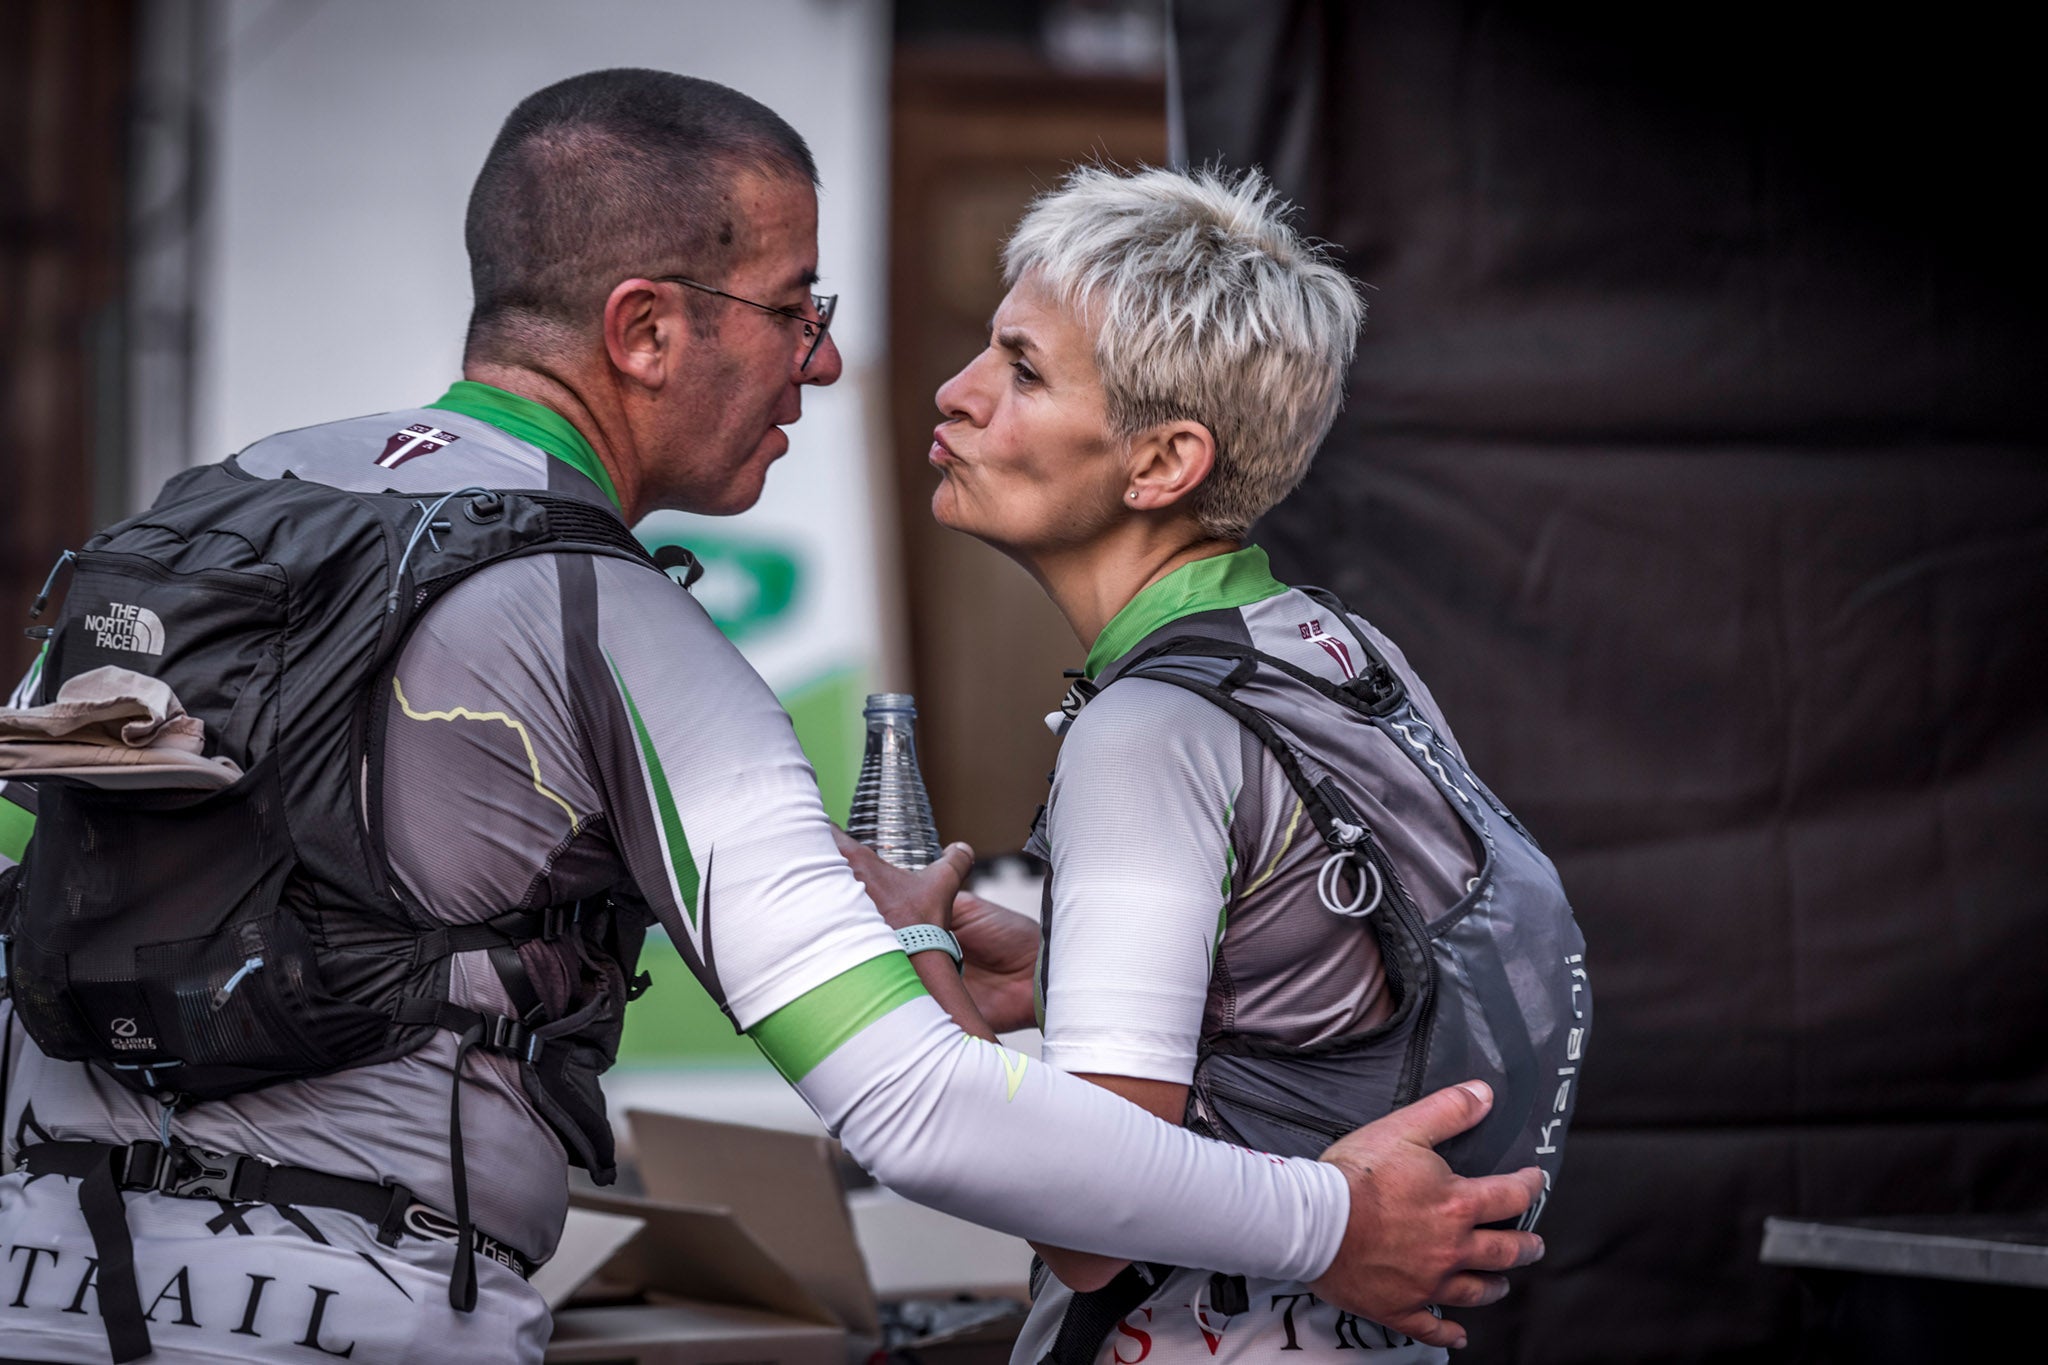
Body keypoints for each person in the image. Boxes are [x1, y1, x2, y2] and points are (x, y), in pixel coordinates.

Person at [0, 72, 1541, 1365]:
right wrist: (1333, 1222)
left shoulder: (237, 503)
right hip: (356, 1311)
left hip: (35, 1269)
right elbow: (917, 1110)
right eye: (796, 307)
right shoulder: (617, 624)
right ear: (645, 329)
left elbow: (321, 878)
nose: (830, 359)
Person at [837, 164, 1587, 1365]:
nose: (956, 392)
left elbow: (1086, 1224)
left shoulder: (1148, 731)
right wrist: (1057, 970)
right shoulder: (1328, 648)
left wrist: (913, 949)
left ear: (1159, 465)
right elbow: (1327, 964)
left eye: (1022, 369)